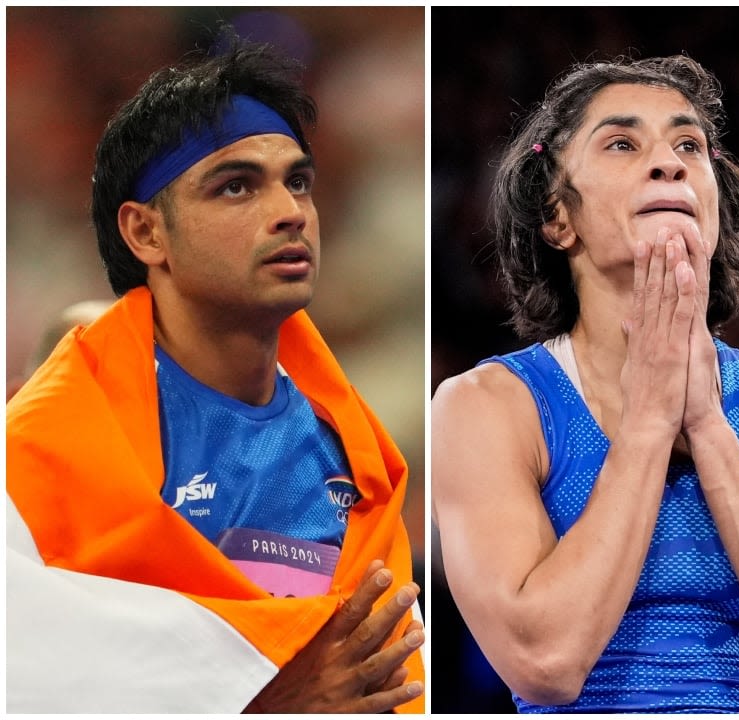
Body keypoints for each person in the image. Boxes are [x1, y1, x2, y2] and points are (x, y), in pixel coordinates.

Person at [6, 33, 425, 713]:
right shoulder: (45, 451)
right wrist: (268, 708)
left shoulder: (355, 453)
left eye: (298, 182)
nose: (290, 213)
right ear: (146, 233)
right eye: (236, 187)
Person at [431, 55, 739, 713]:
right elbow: (545, 664)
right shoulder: (485, 408)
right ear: (557, 217)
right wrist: (650, 423)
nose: (669, 163)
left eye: (689, 145)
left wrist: (707, 425)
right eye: (623, 144)